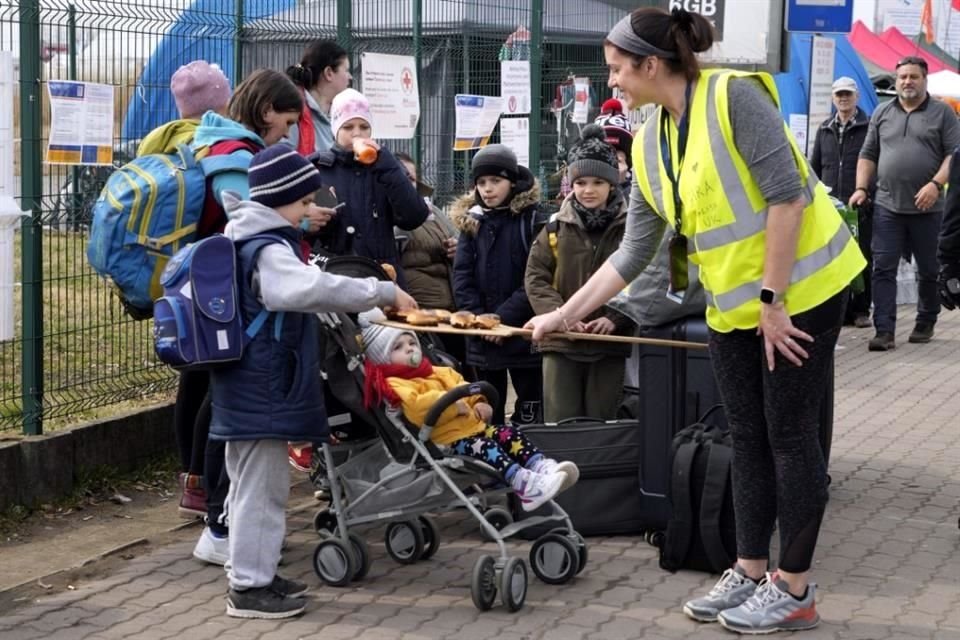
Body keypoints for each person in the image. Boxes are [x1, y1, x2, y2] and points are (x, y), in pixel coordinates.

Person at [526, 7, 865, 634]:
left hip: (801, 293)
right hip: (735, 307)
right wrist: (563, 316)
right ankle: (749, 567)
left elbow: (788, 196)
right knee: (747, 435)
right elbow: (633, 253)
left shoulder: (733, 97)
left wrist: (773, 301)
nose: (613, 84)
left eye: (617, 70)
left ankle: (795, 589)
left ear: (652, 65)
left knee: (789, 437)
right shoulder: (652, 137)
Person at [210, 146, 417, 619]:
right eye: (302, 202)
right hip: (263, 381)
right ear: (279, 198)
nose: (309, 211)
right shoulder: (266, 246)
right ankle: (249, 589)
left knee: (253, 485)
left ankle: (253, 573)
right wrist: (378, 291)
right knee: (262, 487)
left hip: (249, 382)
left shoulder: (253, 237)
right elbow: (302, 289)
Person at [187, 69, 332, 566]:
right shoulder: (236, 156)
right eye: (288, 121)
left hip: (230, 306)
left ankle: (231, 532)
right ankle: (223, 530)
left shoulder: (228, 146)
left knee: (225, 422)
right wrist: (304, 219)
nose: (289, 132)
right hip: (232, 312)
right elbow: (248, 220)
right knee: (232, 430)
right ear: (268, 111)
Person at [134, 60, 232, 520]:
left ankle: (188, 480)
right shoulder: (210, 143)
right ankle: (200, 481)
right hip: (209, 271)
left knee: (191, 376)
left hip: (167, 271)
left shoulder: (159, 140)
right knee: (214, 372)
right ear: (218, 98)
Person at [358, 311, 577, 511]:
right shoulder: (396, 385)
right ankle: (524, 484)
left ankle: (541, 467)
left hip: (474, 429)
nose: (409, 348)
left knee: (510, 434)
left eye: (411, 342)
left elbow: (463, 386)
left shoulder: (437, 371)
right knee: (489, 447)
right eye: (398, 347)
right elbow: (418, 409)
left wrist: (479, 401)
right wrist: (454, 406)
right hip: (447, 441)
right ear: (383, 359)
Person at [850, 56, 960, 351]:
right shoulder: (882, 113)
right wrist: (861, 187)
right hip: (887, 205)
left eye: (913, 76)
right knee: (882, 268)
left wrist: (936, 185)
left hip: (929, 208)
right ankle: (884, 330)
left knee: (929, 269)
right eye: (902, 77)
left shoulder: (943, 114)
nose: (907, 82)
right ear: (896, 80)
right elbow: (868, 153)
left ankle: (926, 319)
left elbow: (954, 155)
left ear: (925, 80)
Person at [524, 125, 633, 421]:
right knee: (561, 422)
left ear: (613, 183)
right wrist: (557, 315)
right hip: (560, 343)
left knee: (603, 422)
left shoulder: (632, 229)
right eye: (581, 182)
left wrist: (616, 318)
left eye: (598, 181)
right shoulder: (555, 226)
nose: (588, 190)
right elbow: (535, 276)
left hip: (609, 342)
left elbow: (641, 278)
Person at [451, 145, 545, 426]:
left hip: (521, 332)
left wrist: (502, 320)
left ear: (512, 182)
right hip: (481, 337)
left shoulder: (532, 220)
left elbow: (535, 277)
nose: (488, 189)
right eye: (481, 182)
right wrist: (479, 320)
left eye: (496, 181)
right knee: (487, 411)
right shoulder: (472, 221)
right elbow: (462, 276)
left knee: (529, 411)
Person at [311, 89, 429, 287]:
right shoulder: (318, 169)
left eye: (364, 126)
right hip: (334, 276)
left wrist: (389, 166)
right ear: (335, 130)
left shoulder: (386, 167)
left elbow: (414, 216)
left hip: (382, 277)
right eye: (348, 127)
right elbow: (302, 226)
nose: (357, 133)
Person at [810, 76, 874, 329]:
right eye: (839, 94)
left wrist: (868, 192)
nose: (843, 98)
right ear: (833, 98)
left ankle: (861, 310)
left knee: (861, 257)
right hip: (830, 205)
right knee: (832, 259)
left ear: (856, 96)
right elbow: (815, 167)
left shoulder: (868, 127)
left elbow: (874, 162)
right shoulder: (824, 128)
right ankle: (839, 311)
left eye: (848, 94)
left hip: (859, 204)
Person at [394, 152, 466, 366]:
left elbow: (458, 239)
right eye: (402, 177)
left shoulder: (432, 210)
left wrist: (457, 249)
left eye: (412, 178)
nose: (408, 183)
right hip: (419, 314)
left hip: (451, 310)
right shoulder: (387, 213)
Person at [285, 39, 351, 154]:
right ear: (329, 73)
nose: (350, 77)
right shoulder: (294, 113)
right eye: (346, 70)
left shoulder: (338, 115)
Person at [593, 97, 634, 197]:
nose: (612, 156)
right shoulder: (586, 177)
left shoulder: (637, 185)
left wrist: (622, 183)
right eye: (605, 148)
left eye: (618, 149)